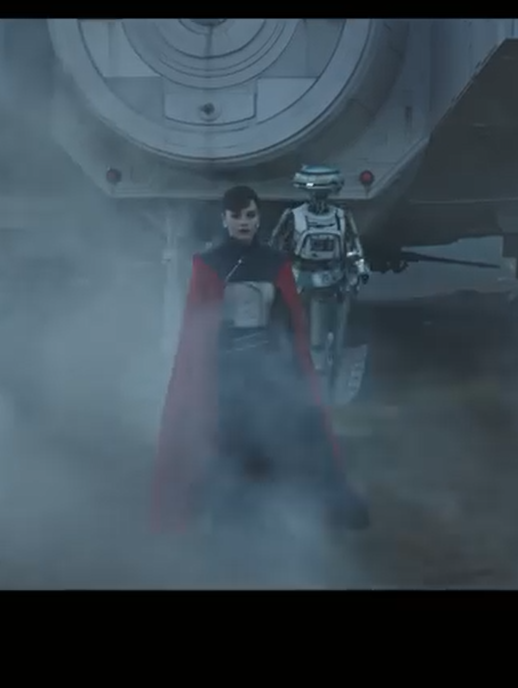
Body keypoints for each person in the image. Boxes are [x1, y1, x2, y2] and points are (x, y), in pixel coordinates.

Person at [150, 185, 370, 538]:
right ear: (225, 219)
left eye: (250, 215)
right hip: (225, 370)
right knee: (226, 444)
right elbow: (198, 328)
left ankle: (269, 520)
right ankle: (225, 519)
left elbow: (289, 322)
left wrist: (291, 367)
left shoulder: (275, 263)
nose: (244, 222)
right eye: (236, 215)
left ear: (258, 218)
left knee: (270, 439)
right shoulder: (208, 264)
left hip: (267, 365)